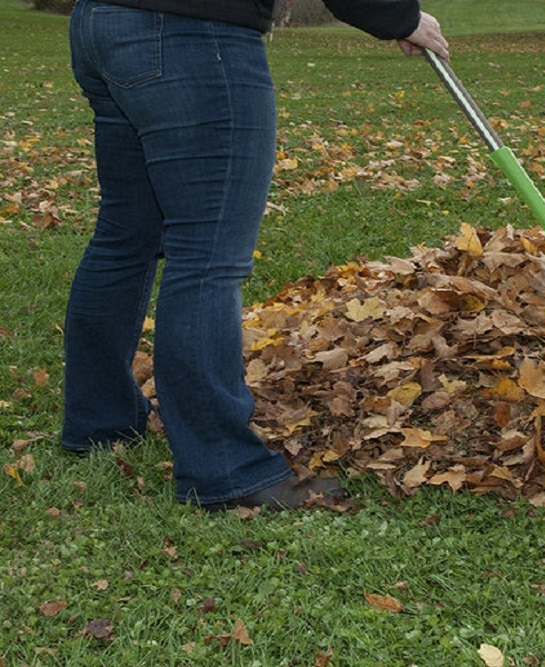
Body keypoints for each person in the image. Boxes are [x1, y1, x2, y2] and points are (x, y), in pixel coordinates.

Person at [62, 0, 449, 510]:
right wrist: (398, 16)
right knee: (206, 255)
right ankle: (225, 469)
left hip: (104, 23)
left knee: (125, 236)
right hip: (192, 36)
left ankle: (100, 424)